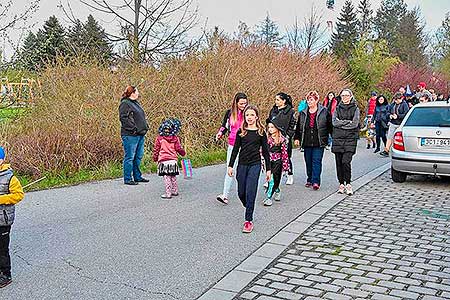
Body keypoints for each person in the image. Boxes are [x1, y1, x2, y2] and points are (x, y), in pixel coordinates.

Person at [228, 105, 271, 233]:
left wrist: (268, 169)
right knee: (241, 192)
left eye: (252, 115)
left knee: (250, 191)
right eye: (247, 115)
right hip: (242, 164)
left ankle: (248, 220)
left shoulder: (261, 132)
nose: (250, 117)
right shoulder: (241, 131)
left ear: (256, 116)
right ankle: (248, 205)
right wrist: (230, 166)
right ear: (244, 117)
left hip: (255, 164)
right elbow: (235, 150)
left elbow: (266, 152)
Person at [294, 91, 332, 191]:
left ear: (316, 100)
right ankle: (309, 178)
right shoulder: (303, 112)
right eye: (308, 99)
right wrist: (297, 138)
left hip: (319, 140)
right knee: (308, 161)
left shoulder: (324, 111)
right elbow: (299, 126)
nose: (309, 101)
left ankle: (316, 181)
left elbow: (329, 126)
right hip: (306, 140)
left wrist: (332, 137)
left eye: (311, 99)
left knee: (316, 161)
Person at [215, 93, 248, 204]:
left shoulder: (248, 113)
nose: (244, 105)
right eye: (241, 103)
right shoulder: (229, 113)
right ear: (236, 103)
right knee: (229, 168)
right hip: (232, 144)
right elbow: (224, 126)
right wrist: (220, 133)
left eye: (245, 102)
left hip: (245, 145)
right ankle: (225, 195)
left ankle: (246, 192)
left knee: (243, 170)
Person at [0, 147, 25, 288]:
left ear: (2, 160)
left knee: (2, 249)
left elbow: (18, 195)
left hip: (3, 220)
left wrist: (1, 199)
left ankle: (6, 274)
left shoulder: (10, 178)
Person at [331, 88, 360, 195]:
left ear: (351, 96)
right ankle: (341, 183)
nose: (345, 98)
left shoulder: (355, 108)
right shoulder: (337, 108)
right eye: (343, 96)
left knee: (346, 162)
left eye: (347, 95)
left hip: (350, 139)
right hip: (338, 139)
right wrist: (347, 123)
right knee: (338, 163)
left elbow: (355, 123)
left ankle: (348, 183)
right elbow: (334, 122)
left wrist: (342, 124)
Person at [119, 85, 149, 185]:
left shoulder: (135, 103)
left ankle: (137, 176)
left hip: (140, 134)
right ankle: (128, 178)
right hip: (130, 135)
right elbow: (124, 119)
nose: (138, 94)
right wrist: (134, 129)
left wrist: (145, 126)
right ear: (132, 93)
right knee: (130, 157)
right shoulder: (125, 103)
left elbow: (140, 116)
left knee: (138, 156)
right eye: (137, 92)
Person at [152, 118, 186, 199]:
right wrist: (183, 153)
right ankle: (175, 190)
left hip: (164, 161)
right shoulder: (175, 138)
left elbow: (156, 149)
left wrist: (155, 158)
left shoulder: (160, 138)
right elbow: (178, 148)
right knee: (173, 176)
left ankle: (168, 193)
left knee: (167, 177)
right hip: (173, 161)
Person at [267, 92, 296, 185]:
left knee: (286, 156)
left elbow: (293, 125)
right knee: (272, 157)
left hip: (284, 137)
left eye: (278, 100)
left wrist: (288, 136)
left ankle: (289, 174)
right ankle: (270, 178)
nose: (276, 101)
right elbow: (269, 122)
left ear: (284, 101)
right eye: (275, 100)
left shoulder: (290, 111)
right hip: (273, 137)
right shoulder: (273, 110)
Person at [263, 119, 289, 206]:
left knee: (275, 179)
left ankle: (274, 192)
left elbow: (285, 153)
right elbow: (262, 150)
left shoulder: (281, 140)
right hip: (269, 162)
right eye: (269, 127)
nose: (270, 129)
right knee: (271, 179)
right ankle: (270, 196)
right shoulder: (266, 138)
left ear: (277, 128)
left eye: (272, 127)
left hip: (278, 162)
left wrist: (286, 166)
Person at [380, 92, 409, 157]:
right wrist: (390, 115)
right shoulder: (392, 104)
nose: (396, 101)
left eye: (397, 100)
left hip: (400, 124)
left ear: (402, 98)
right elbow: (387, 112)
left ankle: (401, 151)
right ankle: (386, 150)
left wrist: (398, 116)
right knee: (389, 137)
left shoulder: (404, 105)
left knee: (400, 138)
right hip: (393, 123)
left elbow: (406, 114)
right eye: (395, 100)